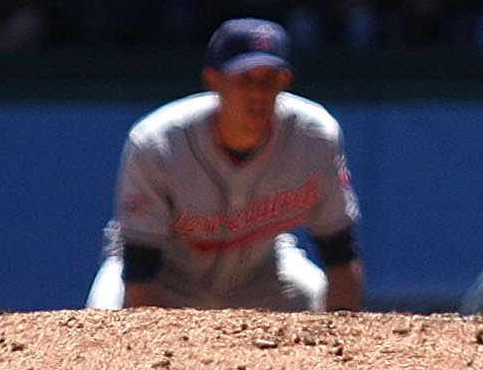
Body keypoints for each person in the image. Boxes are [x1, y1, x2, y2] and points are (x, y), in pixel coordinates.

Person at [87, 18, 363, 311]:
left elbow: (340, 254)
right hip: (167, 275)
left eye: (268, 79)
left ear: (284, 82)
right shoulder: (158, 143)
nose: (257, 93)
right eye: (244, 79)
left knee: (315, 297)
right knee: (105, 314)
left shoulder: (315, 136)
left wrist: (342, 350)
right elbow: (141, 270)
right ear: (212, 80)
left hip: (262, 273)